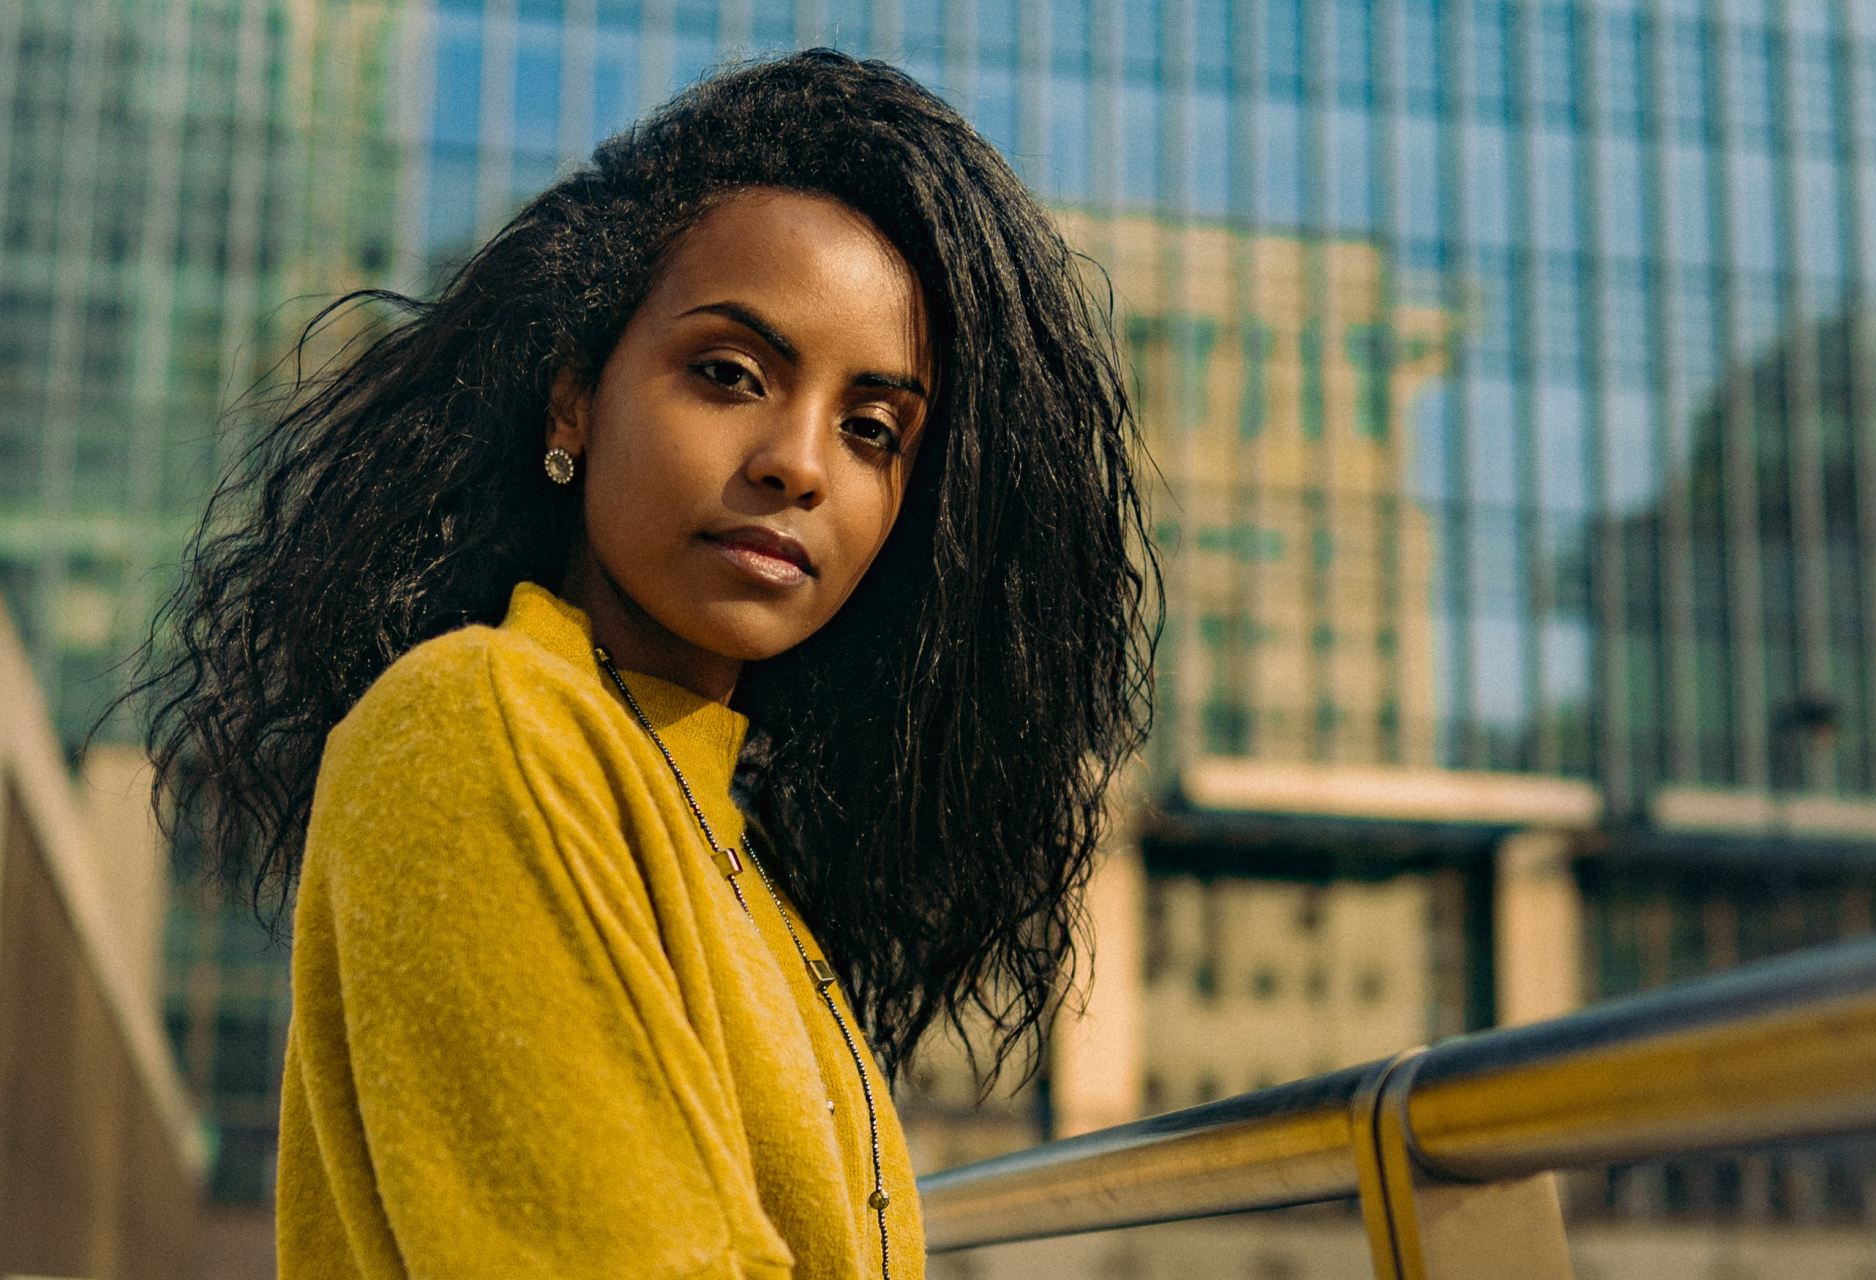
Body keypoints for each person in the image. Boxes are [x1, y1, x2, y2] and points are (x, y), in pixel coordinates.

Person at [130, 49, 1156, 1279]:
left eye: (871, 428)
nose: (799, 462)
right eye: (729, 373)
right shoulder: (478, 726)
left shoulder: (741, 858)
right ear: (573, 399)